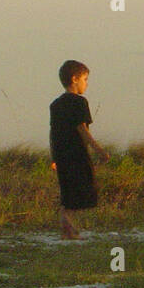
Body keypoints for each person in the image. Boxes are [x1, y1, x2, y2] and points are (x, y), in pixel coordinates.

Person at [49, 60, 109, 239]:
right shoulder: (79, 102)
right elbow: (82, 129)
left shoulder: (56, 104)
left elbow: (52, 132)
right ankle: (68, 227)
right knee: (82, 189)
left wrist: (53, 156)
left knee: (68, 191)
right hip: (76, 153)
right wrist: (99, 150)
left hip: (61, 153)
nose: (86, 83)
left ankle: (68, 228)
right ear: (74, 79)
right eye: (85, 79)